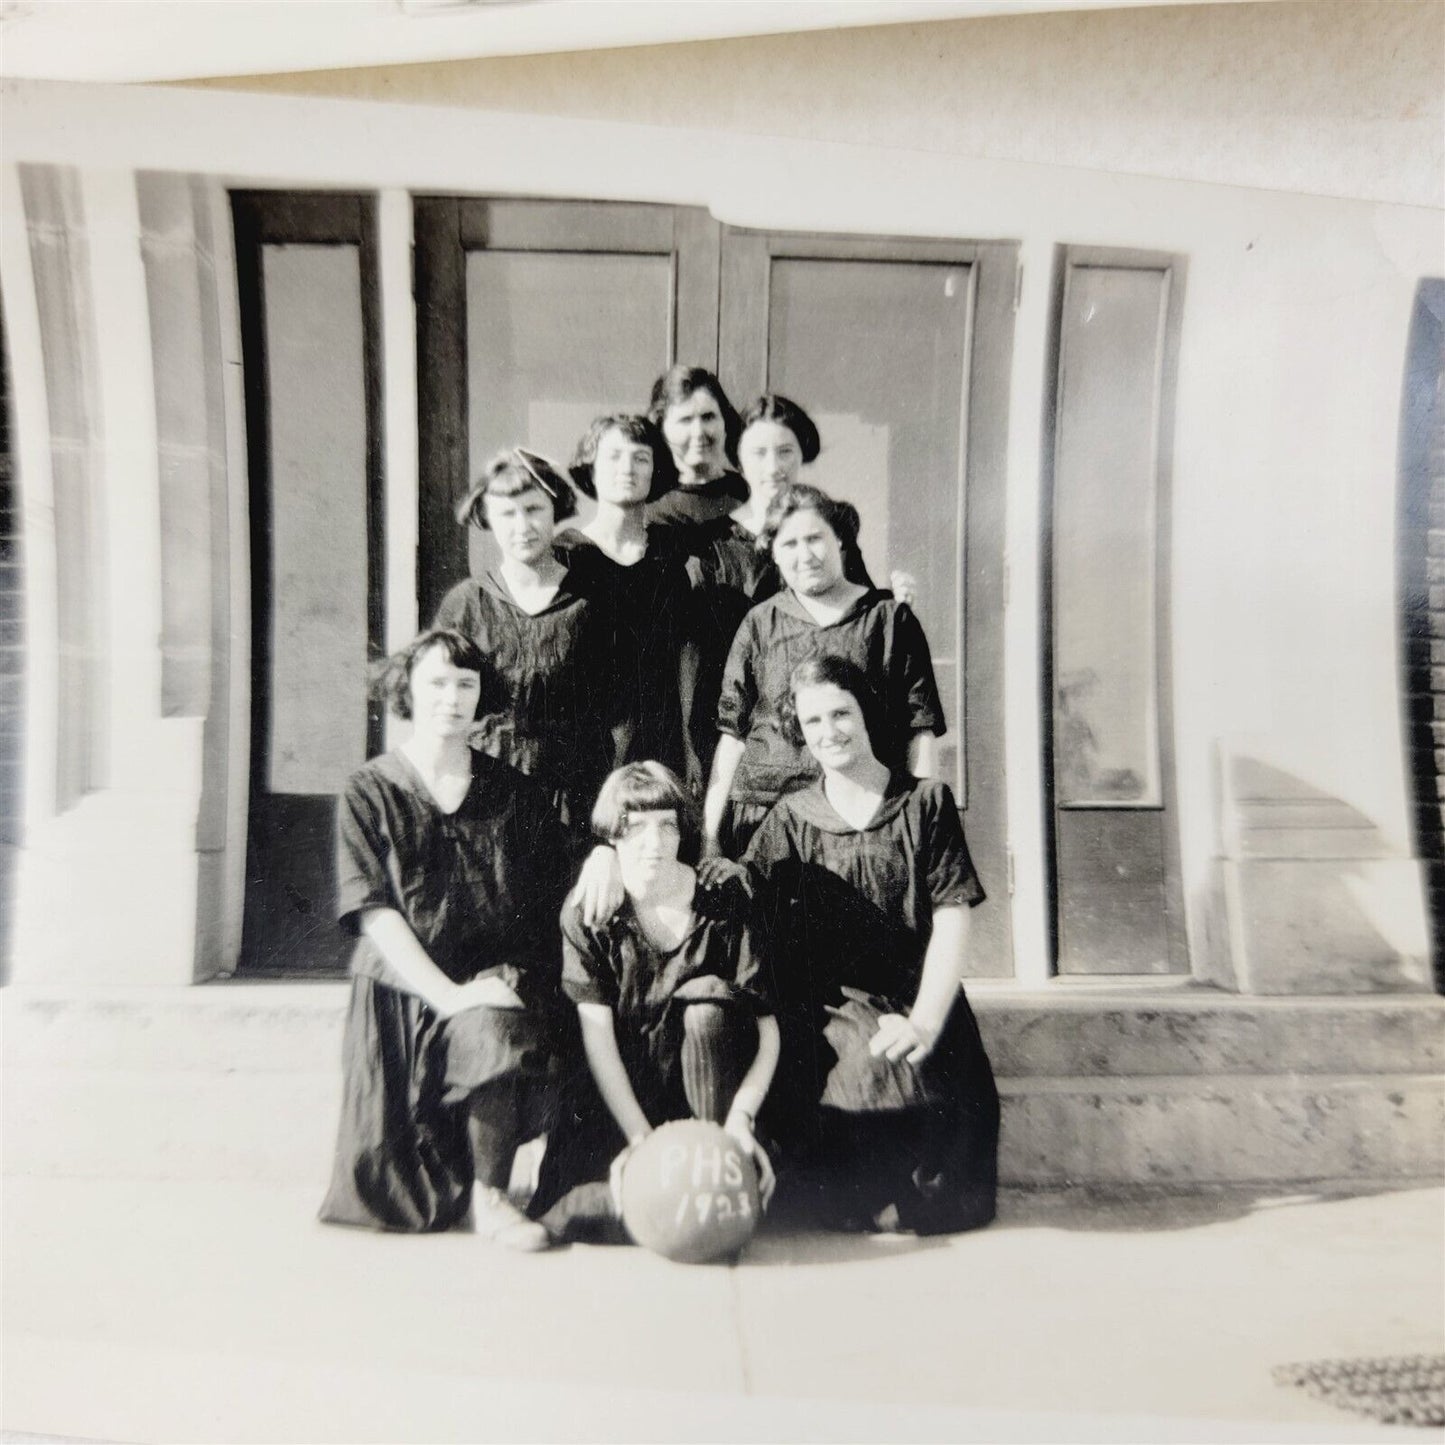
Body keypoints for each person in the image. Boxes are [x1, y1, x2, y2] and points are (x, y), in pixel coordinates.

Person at [318, 629, 579, 1248]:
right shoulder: (369, 791)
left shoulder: (515, 793)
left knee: (497, 1022)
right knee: (401, 1194)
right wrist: (446, 994)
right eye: (437, 682)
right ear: (407, 688)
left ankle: (493, 1197)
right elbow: (373, 913)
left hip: (486, 981)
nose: (452, 698)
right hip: (402, 994)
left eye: (466, 684)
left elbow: (544, 901)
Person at [743, 654, 999, 1235]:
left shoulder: (926, 803)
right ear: (799, 734)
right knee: (862, 1073)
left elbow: (953, 915)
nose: (830, 731)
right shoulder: (789, 820)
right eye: (813, 722)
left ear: (867, 715)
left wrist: (927, 1021)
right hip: (835, 1003)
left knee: (934, 1141)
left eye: (842, 713)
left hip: (921, 996)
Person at [543, 762, 779, 1240]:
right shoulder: (590, 912)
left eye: (666, 825)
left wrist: (740, 1121)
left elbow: (768, 1028)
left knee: (707, 1007)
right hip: (627, 1101)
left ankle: (713, 1180)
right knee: (579, 1216)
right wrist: (639, 1139)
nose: (653, 842)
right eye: (635, 828)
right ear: (613, 836)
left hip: (711, 1092)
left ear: (682, 830)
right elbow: (597, 1037)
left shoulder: (721, 899)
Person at [703, 482, 946, 858]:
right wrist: (709, 836)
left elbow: (921, 728)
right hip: (764, 816)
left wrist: (923, 821)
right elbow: (732, 737)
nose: (806, 555)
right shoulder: (759, 623)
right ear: (774, 555)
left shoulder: (889, 620)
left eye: (815, 538)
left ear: (840, 541)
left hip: (864, 812)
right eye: (789, 544)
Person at [432, 447, 625, 825]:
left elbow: (620, 716)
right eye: (507, 513)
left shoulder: (593, 604)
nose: (522, 525)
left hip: (576, 802)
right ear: (488, 518)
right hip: (486, 798)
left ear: (555, 510)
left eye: (534, 509)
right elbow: (437, 706)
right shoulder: (466, 605)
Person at [556, 414, 691, 780]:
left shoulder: (672, 559)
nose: (627, 468)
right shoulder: (566, 557)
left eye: (640, 458)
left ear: (655, 471)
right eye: (613, 456)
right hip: (585, 748)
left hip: (660, 746)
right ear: (591, 468)